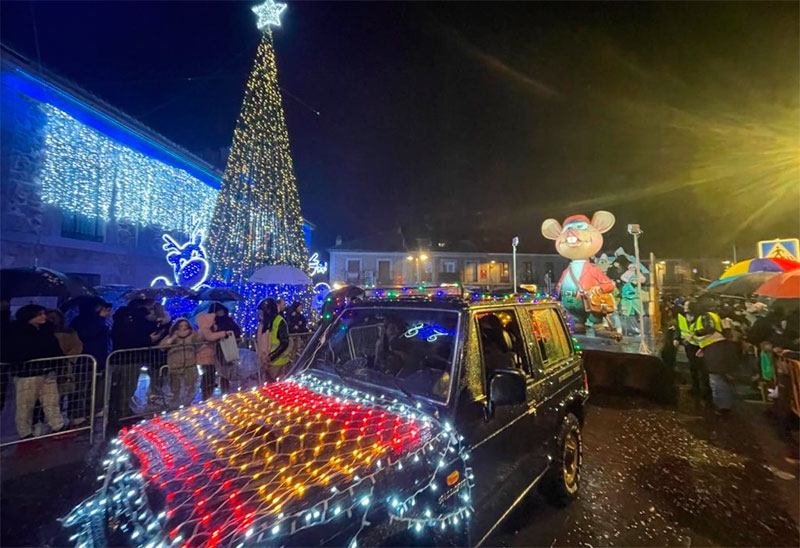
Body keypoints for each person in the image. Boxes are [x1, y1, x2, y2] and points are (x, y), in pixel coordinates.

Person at [8, 304, 65, 439]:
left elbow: (54, 348)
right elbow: (17, 352)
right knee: (25, 404)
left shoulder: (46, 330)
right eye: (40, 314)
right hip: (28, 373)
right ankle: (25, 432)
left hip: (47, 370)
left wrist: (56, 363)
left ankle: (58, 425)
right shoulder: (18, 331)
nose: (44, 316)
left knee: (51, 400)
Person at [46, 309, 86, 427]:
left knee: (66, 391)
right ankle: (54, 420)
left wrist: (68, 359)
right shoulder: (45, 332)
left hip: (65, 365)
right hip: (51, 365)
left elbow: (77, 346)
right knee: (53, 395)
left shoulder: (68, 331)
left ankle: (64, 418)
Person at [159, 319, 201, 409]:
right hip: (175, 366)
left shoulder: (192, 335)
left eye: (185, 326)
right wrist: (173, 338)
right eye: (181, 326)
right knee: (175, 389)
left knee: (190, 387)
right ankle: (174, 407)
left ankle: (187, 406)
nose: (183, 328)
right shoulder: (171, 336)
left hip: (189, 365)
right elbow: (162, 347)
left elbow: (200, 339)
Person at [196, 312, 231, 399]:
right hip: (205, 357)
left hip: (210, 357)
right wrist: (223, 333)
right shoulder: (204, 330)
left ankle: (208, 391)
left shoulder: (207, 330)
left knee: (210, 375)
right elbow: (210, 337)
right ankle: (206, 393)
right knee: (207, 376)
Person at [208, 302, 242, 394]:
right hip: (217, 349)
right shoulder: (211, 322)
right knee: (220, 372)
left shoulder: (228, 321)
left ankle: (227, 391)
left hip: (227, 347)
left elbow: (236, 331)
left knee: (227, 371)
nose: (220, 313)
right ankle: (223, 391)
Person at [256, 298, 290, 382]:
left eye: (262, 311)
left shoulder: (279, 321)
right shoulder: (264, 323)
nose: (260, 314)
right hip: (266, 362)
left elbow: (284, 343)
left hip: (278, 363)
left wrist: (271, 356)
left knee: (278, 389)